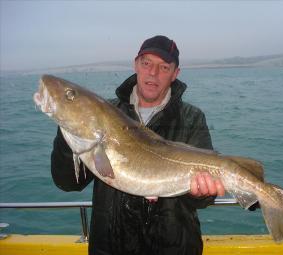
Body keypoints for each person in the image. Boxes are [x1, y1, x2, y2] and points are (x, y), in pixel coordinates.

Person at [51, 35, 225, 255]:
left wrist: (202, 194)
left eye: (164, 67)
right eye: (147, 63)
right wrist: (70, 130)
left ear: (175, 74)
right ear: (136, 65)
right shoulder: (104, 116)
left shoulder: (192, 118)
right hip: (111, 248)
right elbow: (68, 183)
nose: (153, 73)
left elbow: (203, 200)